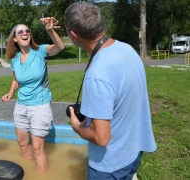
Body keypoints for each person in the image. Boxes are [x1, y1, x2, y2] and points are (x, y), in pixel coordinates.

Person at [64, 2, 157, 180]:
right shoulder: (127, 49)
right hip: (133, 151)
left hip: (110, 165)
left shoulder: (98, 73)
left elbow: (101, 138)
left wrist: (78, 128)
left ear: (74, 35)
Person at [1, 17, 64, 172]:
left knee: (37, 148)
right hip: (21, 105)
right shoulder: (15, 59)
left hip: (40, 106)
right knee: (23, 144)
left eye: (27, 31)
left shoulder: (40, 51)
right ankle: (29, 172)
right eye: (20, 31)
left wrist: (50, 30)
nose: (25, 33)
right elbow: (16, 79)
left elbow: (59, 47)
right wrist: (10, 92)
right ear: (15, 38)